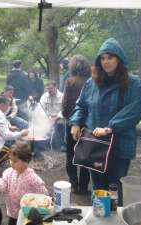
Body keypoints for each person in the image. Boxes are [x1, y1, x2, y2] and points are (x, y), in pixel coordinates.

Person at [69, 38, 141, 205]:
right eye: (102, 58)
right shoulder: (92, 83)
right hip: (95, 144)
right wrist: (75, 123)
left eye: (110, 57)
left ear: (119, 58)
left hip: (120, 145)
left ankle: (114, 219)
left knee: (115, 186)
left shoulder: (133, 83)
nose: (106, 62)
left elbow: (133, 111)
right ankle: (100, 218)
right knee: (98, 187)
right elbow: (81, 106)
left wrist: (110, 127)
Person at [0, 142, 48, 225]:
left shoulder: (33, 178)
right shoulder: (9, 172)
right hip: (12, 212)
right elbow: (3, 182)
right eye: (10, 159)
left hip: (26, 215)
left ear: (26, 160)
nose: (11, 163)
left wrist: (36, 208)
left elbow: (44, 194)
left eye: (15, 161)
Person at [62, 55, 91, 194]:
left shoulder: (70, 82)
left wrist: (65, 116)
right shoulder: (91, 82)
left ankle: (74, 185)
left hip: (72, 124)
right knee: (85, 154)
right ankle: (84, 186)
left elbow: (66, 104)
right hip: (87, 123)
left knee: (70, 153)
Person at [40, 80, 64, 150]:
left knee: (61, 124)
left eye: (51, 88)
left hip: (60, 118)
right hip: (48, 118)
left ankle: (63, 144)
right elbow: (41, 109)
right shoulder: (44, 96)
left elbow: (65, 110)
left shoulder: (62, 96)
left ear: (56, 87)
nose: (49, 91)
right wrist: (48, 117)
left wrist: (57, 117)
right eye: (48, 89)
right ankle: (45, 142)